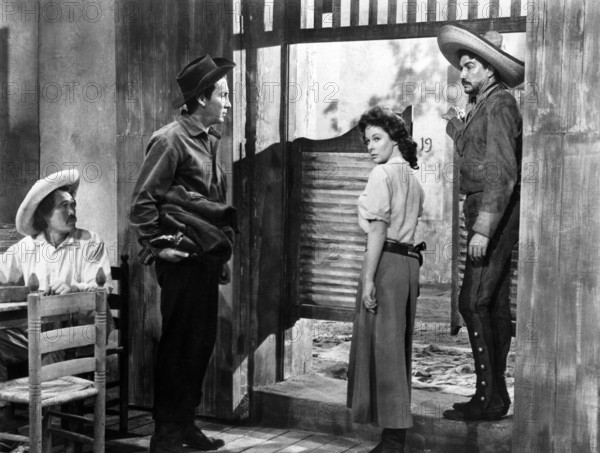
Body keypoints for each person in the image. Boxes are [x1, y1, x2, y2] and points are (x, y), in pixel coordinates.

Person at [129, 55, 237, 453]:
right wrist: (159, 247)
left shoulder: (207, 139)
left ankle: (185, 424)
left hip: (204, 261)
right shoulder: (170, 140)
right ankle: (165, 433)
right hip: (180, 262)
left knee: (200, 342)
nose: (228, 103)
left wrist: (219, 259)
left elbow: (211, 206)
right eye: (223, 95)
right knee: (177, 343)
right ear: (202, 97)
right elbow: (142, 204)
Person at [437, 24, 523, 421]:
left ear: (490, 70)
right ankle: (493, 398)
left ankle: (489, 398)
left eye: (470, 66)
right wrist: (457, 126)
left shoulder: (500, 104)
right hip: (483, 208)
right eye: (463, 67)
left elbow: (502, 172)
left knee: (471, 302)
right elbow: (479, 157)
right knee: (490, 306)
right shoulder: (485, 104)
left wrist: (484, 227)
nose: (463, 73)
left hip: (494, 213)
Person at [0, 169, 113, 425]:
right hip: (38, 333)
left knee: (50, 341)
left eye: (73, 205)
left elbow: (104, 289)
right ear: (44, 214)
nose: (72, 211)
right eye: (64, 206)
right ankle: (6, 424)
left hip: (82, 330)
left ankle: (46, 432)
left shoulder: (89, 242)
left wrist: (74, 287)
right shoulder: (27, 246)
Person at [347, 106, 425, 453]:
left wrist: (367, 280)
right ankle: (395, 436)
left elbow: (377, 230)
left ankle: (393, 440)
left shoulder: (382, 175)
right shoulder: (412, 176)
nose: (370, 146)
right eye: (367, 141)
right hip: (408, 266)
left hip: (388, 264)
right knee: (398, 349)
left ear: (395, 139)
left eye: (377, 138)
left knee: (384, 349)